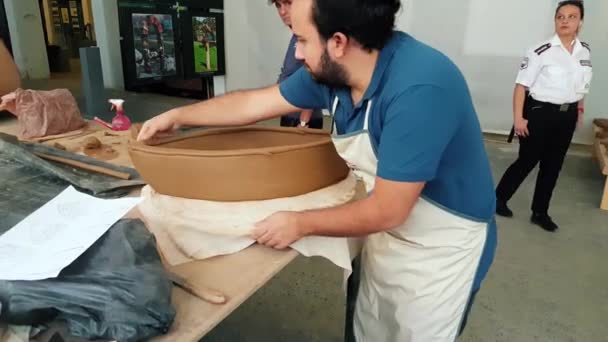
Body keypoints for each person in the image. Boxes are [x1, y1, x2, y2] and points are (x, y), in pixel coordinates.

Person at [137, 0, 498, 340]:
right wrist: (180, 116)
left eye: (301, 39)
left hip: (441, 242)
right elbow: (254, 103)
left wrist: (300, 222)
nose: (296, 52)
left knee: (414, 332)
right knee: (372, 322)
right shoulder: (334, 73)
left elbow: (389, 209)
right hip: (390, 225)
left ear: (339, 42)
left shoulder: (420, 88)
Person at [495, 0, 591, 232]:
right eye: (560, 17)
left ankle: (540, 212)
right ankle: (497, 199)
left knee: (553, 165)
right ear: (555, 21)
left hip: (566, 116)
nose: (565, 21)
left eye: (571, 16)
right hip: (540, 114)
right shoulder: (541, 50)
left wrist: (578, 111)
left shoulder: (584, 50)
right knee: (528, 160)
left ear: (580, 22)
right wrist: (519, 118)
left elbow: (580, 86)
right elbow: (521, 87)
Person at [271, 0, 323, 129]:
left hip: (302, 121)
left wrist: (304, 122)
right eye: (278, 5)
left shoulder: (311, 33)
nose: (282, 11)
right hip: (288, 114)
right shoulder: (295, 36)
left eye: (288, 3)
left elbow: (314, 78)